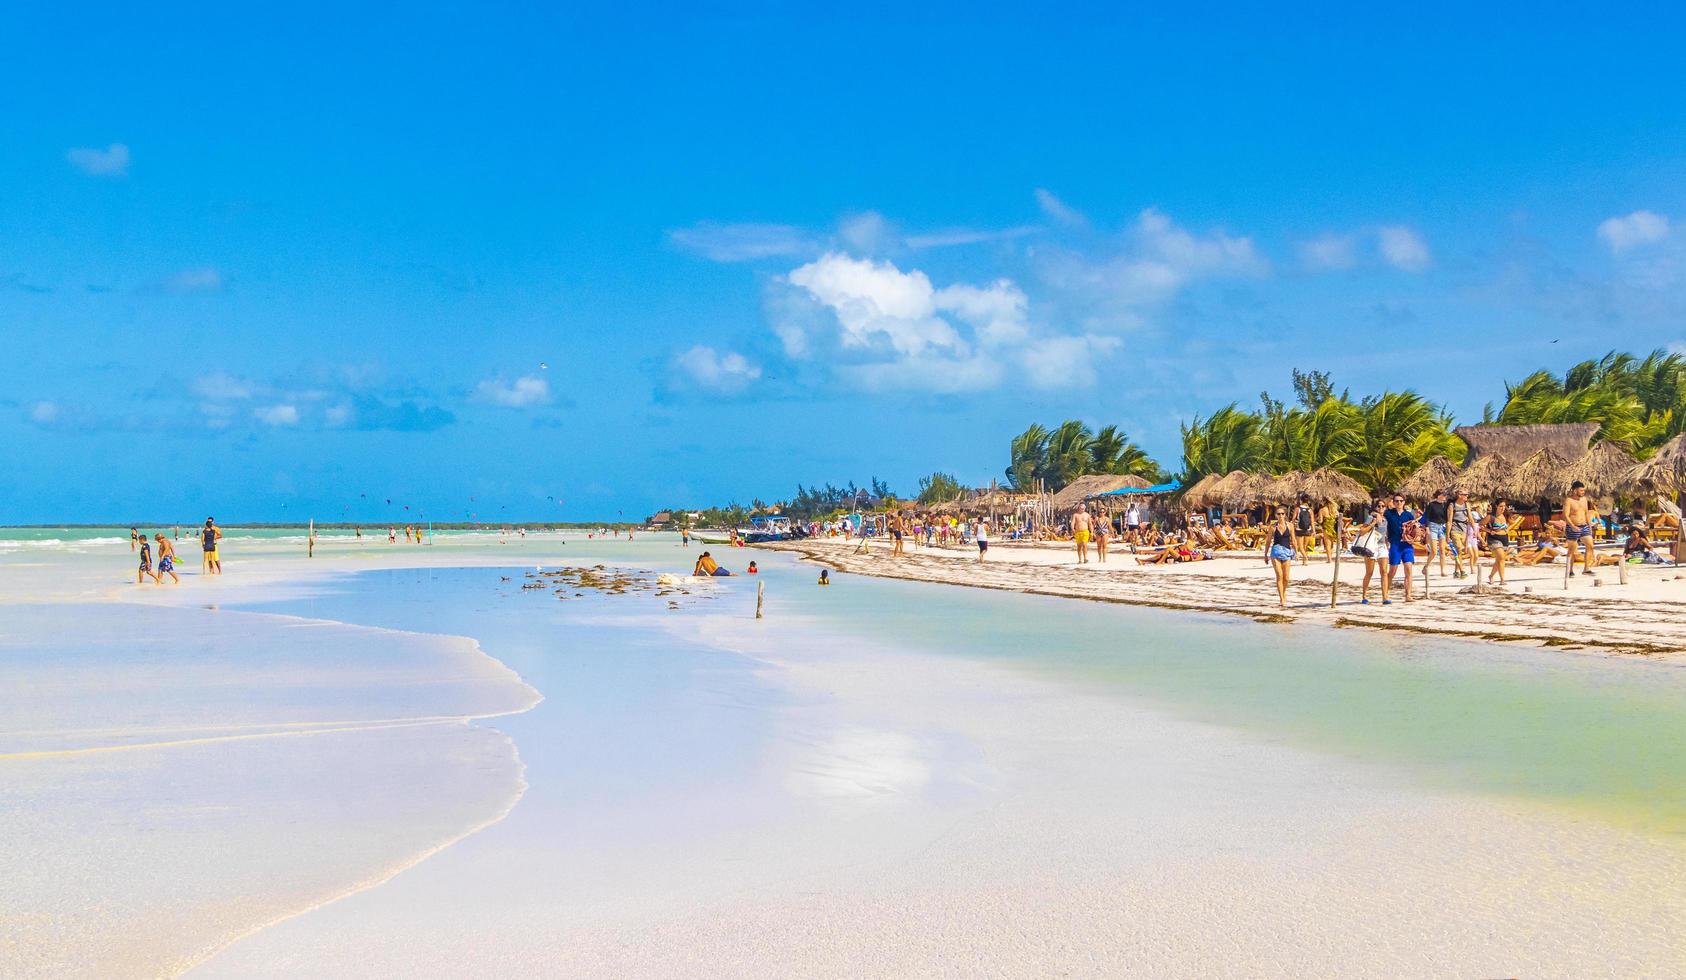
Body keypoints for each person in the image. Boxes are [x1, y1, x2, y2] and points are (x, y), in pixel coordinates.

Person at [1382, 493, 1419, 604]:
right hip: (1395, 544)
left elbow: (1414, 528)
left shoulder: (1408, 515)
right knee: (1393, 570)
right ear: (1393, 502)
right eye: (1396, 501)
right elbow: (1377, 514)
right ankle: (1385, 594)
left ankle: (1408, 595)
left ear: (1404, 502)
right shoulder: (1388, 513)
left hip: (1407, 545)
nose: (1399, 503)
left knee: (1408, 569)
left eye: (1401, 501)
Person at [1354, 501, 1387, 604]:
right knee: (1369, 572)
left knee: (1384, 572)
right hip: (1371, 546)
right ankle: (1364, 595)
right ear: (1375, 507)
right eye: (1379, 506)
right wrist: (1373, 523)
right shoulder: (1371, 517)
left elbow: (1385, 532)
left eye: (1383, 506)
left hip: (1382, 546)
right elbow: (1362, 531)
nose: (1381, 508)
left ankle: (1385, 597)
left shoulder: (1386, 519)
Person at [1563, 481, 1598, 577]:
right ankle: (1570, 570)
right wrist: (1573, 526)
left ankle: (1586, 569)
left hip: (1584, 526)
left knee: (1590, 546)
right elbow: (1565, 515)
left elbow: (1586, 513)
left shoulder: (1584, 500)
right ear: (1575, 491)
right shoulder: (1569, 500)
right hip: (1572, 527)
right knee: (1572, 550)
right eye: (1581, 490)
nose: (1583, 492)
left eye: (1583, 490)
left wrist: (1589, 525)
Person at [1268, 508, 1296, 609]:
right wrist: (1265, 555)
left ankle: (1283, 593)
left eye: (1282, 513)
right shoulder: (1272, 527)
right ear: (1275, 515)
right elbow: (1268, 541)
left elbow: (1293, 539)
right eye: (1278, 514)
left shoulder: (1290, 526)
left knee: (1286, 577)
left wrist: (1296, 552)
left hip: (1287, 552)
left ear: (1285, 515)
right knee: (1279, 575)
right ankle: (1281, 599)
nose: (1280, 515)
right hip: (1275, 552)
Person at [1422, 489, 1452, 577]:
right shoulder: (1431, 505)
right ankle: (1426, 566)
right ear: (1438, 496)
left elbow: (1447, 518)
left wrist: (1448, 531)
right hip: (1433, 527)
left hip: (1442, 527)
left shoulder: (1445, 505)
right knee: (1434, 551)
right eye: (1444, 495)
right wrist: (1427, 528)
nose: (1445, 497)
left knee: (1443, 550)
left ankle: (1443, 570)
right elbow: (1426, 517)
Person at [1485, 499, 1513, 586]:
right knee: (1501, 557)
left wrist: (1507, 529)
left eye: (1504, 506)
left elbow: (1512, 523)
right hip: (1493, 539)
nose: (1503, 508)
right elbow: (1480, 525)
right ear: (1496, 506)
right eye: (1501, 506)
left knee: (1499, 560)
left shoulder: (1506, 515)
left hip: (1504, 539)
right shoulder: (1491, 517)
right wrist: (1489, 530)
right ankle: (1502, 580)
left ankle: (1491, 576)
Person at [1293, 494, 1316, 566]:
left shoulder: (1297, 509)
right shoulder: (1310, 510)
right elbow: (1312, 522)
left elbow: (1293, 519)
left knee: (1300, 546)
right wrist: (1314, 530)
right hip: (1308, 529)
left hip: (1299, 529)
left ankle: (1305, 558)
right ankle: (1304, 560)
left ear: (1301, 500)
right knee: (1305, 546)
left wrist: (1292, 526)